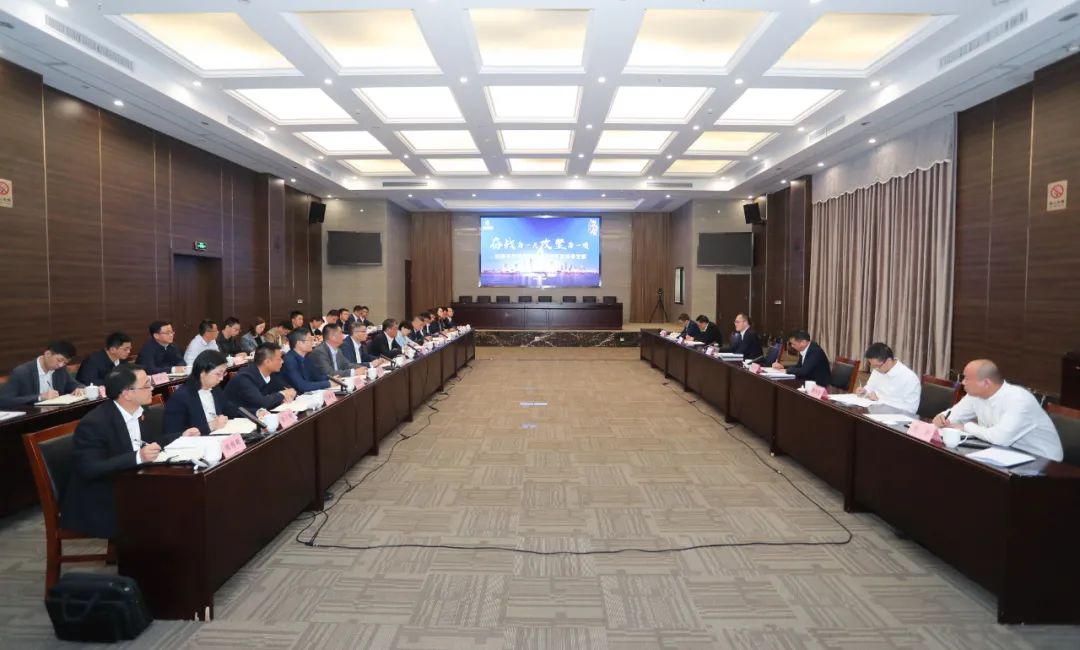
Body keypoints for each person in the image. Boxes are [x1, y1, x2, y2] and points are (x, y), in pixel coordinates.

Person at [60, 364, 197, 538]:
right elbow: (90, 469)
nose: (152, 388)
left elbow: (153, 443)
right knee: (168, 505)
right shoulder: (95, 423)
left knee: (184, 496)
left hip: (132, 482)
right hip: (101, 495)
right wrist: (138, 457)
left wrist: (181, 435)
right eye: (146, 385)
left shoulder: (142, 411)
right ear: (127, 393)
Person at [934, 359, 1063, 461]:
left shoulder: (1019, 399)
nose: (962, 383)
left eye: (967, 378)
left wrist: (966, 427)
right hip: (1005, 454)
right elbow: (952, 416)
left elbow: (1000, 438)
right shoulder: (974, 395)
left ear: (986, 383)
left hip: (1042, 462)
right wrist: (942, 418)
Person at [163, 350, 246, 442]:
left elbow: (230, 409)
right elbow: (170, 437)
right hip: (196, 445)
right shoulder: (180, 397)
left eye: (224, 373)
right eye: (218, 374)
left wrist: (254, 414)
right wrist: (210, 426)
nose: (222, 378)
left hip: (218, 438)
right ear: (202, 373)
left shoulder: (215, 389)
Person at [0, 340, 85, 407]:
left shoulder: (61, 370)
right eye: (59, 360)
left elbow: (76, 385)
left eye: (65, 363)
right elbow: (4, 400)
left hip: (55, 413)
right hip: (31, 417)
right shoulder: (22, 372)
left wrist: (80, 389)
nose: (60, 365)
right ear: (47, 354)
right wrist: (40, 397)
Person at [224, 343, 296, 411]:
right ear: (267, 362)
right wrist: (282, 394)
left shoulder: (272, 373)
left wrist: (287, 395)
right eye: (279, 359)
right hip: (239, 417)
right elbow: (261, 403)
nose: (282, 361)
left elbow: (289, 390)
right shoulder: (244, 377)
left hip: (262, 414)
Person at [857, 342, 921, 413]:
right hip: (874, 412)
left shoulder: (909, 378)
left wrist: (879, 401)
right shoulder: (878, 369)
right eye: (872, 365)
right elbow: (870, 388)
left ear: (888, 361)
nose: (875, 368)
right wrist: (864, 392)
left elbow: (911, 409)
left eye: (877, 366)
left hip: (894, 417)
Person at [282, 328, 331, 393]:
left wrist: (332, 379)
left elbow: (316, 376)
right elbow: (302, 386)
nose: (312, 343)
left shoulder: (307, 357)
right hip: (297, 396)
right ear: (299, 343)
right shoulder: (289, 360)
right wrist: (328, 383)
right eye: (310, 340)